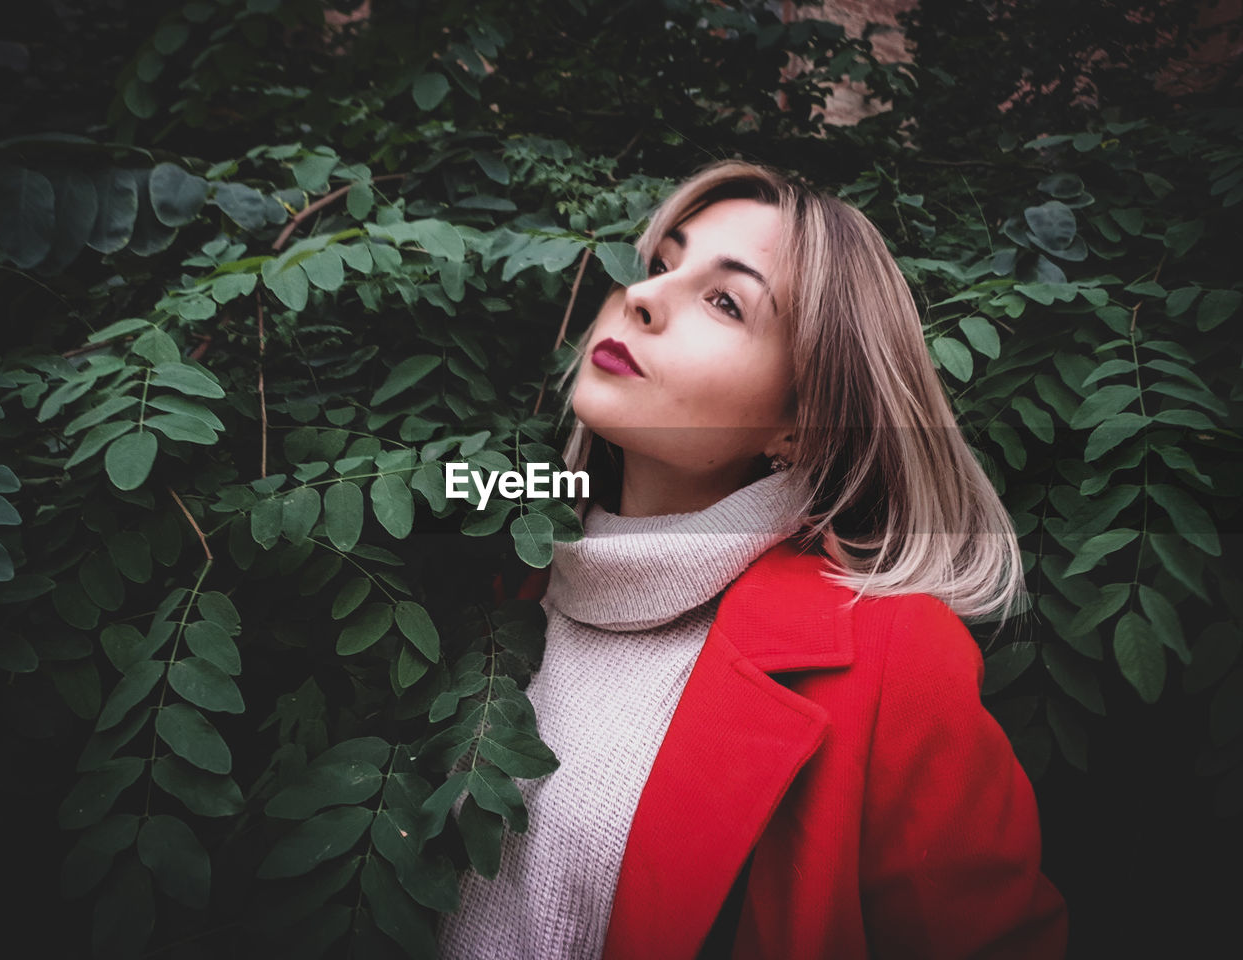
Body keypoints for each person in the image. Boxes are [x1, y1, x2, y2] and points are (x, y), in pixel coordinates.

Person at [436, 161, 1068, 959]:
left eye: (725, 301)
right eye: (659, 264)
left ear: (799, 425)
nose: (641, 297)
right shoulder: (508, 566)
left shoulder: (893, 659)